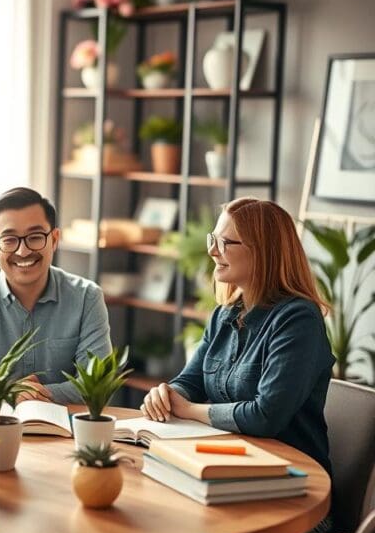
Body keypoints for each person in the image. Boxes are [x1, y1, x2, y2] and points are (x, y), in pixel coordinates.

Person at [141, 197, 335, 479]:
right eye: (213, 239)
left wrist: (190, 410)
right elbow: (190, 382)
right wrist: (168, 396)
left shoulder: (298, 319)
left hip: (292, 482)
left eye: (225, 243)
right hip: (233, 464)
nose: (211, 251)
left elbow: (265, 416)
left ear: (263, 252)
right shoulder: (224, 314)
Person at [0, 186, 112, 404]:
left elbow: (98, 383)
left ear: (54, 239)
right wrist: (6, 393)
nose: (23, 251)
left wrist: (28, 395)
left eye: (35, 237)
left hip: (63, 433)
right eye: (9, 240)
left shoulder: (87, 298)